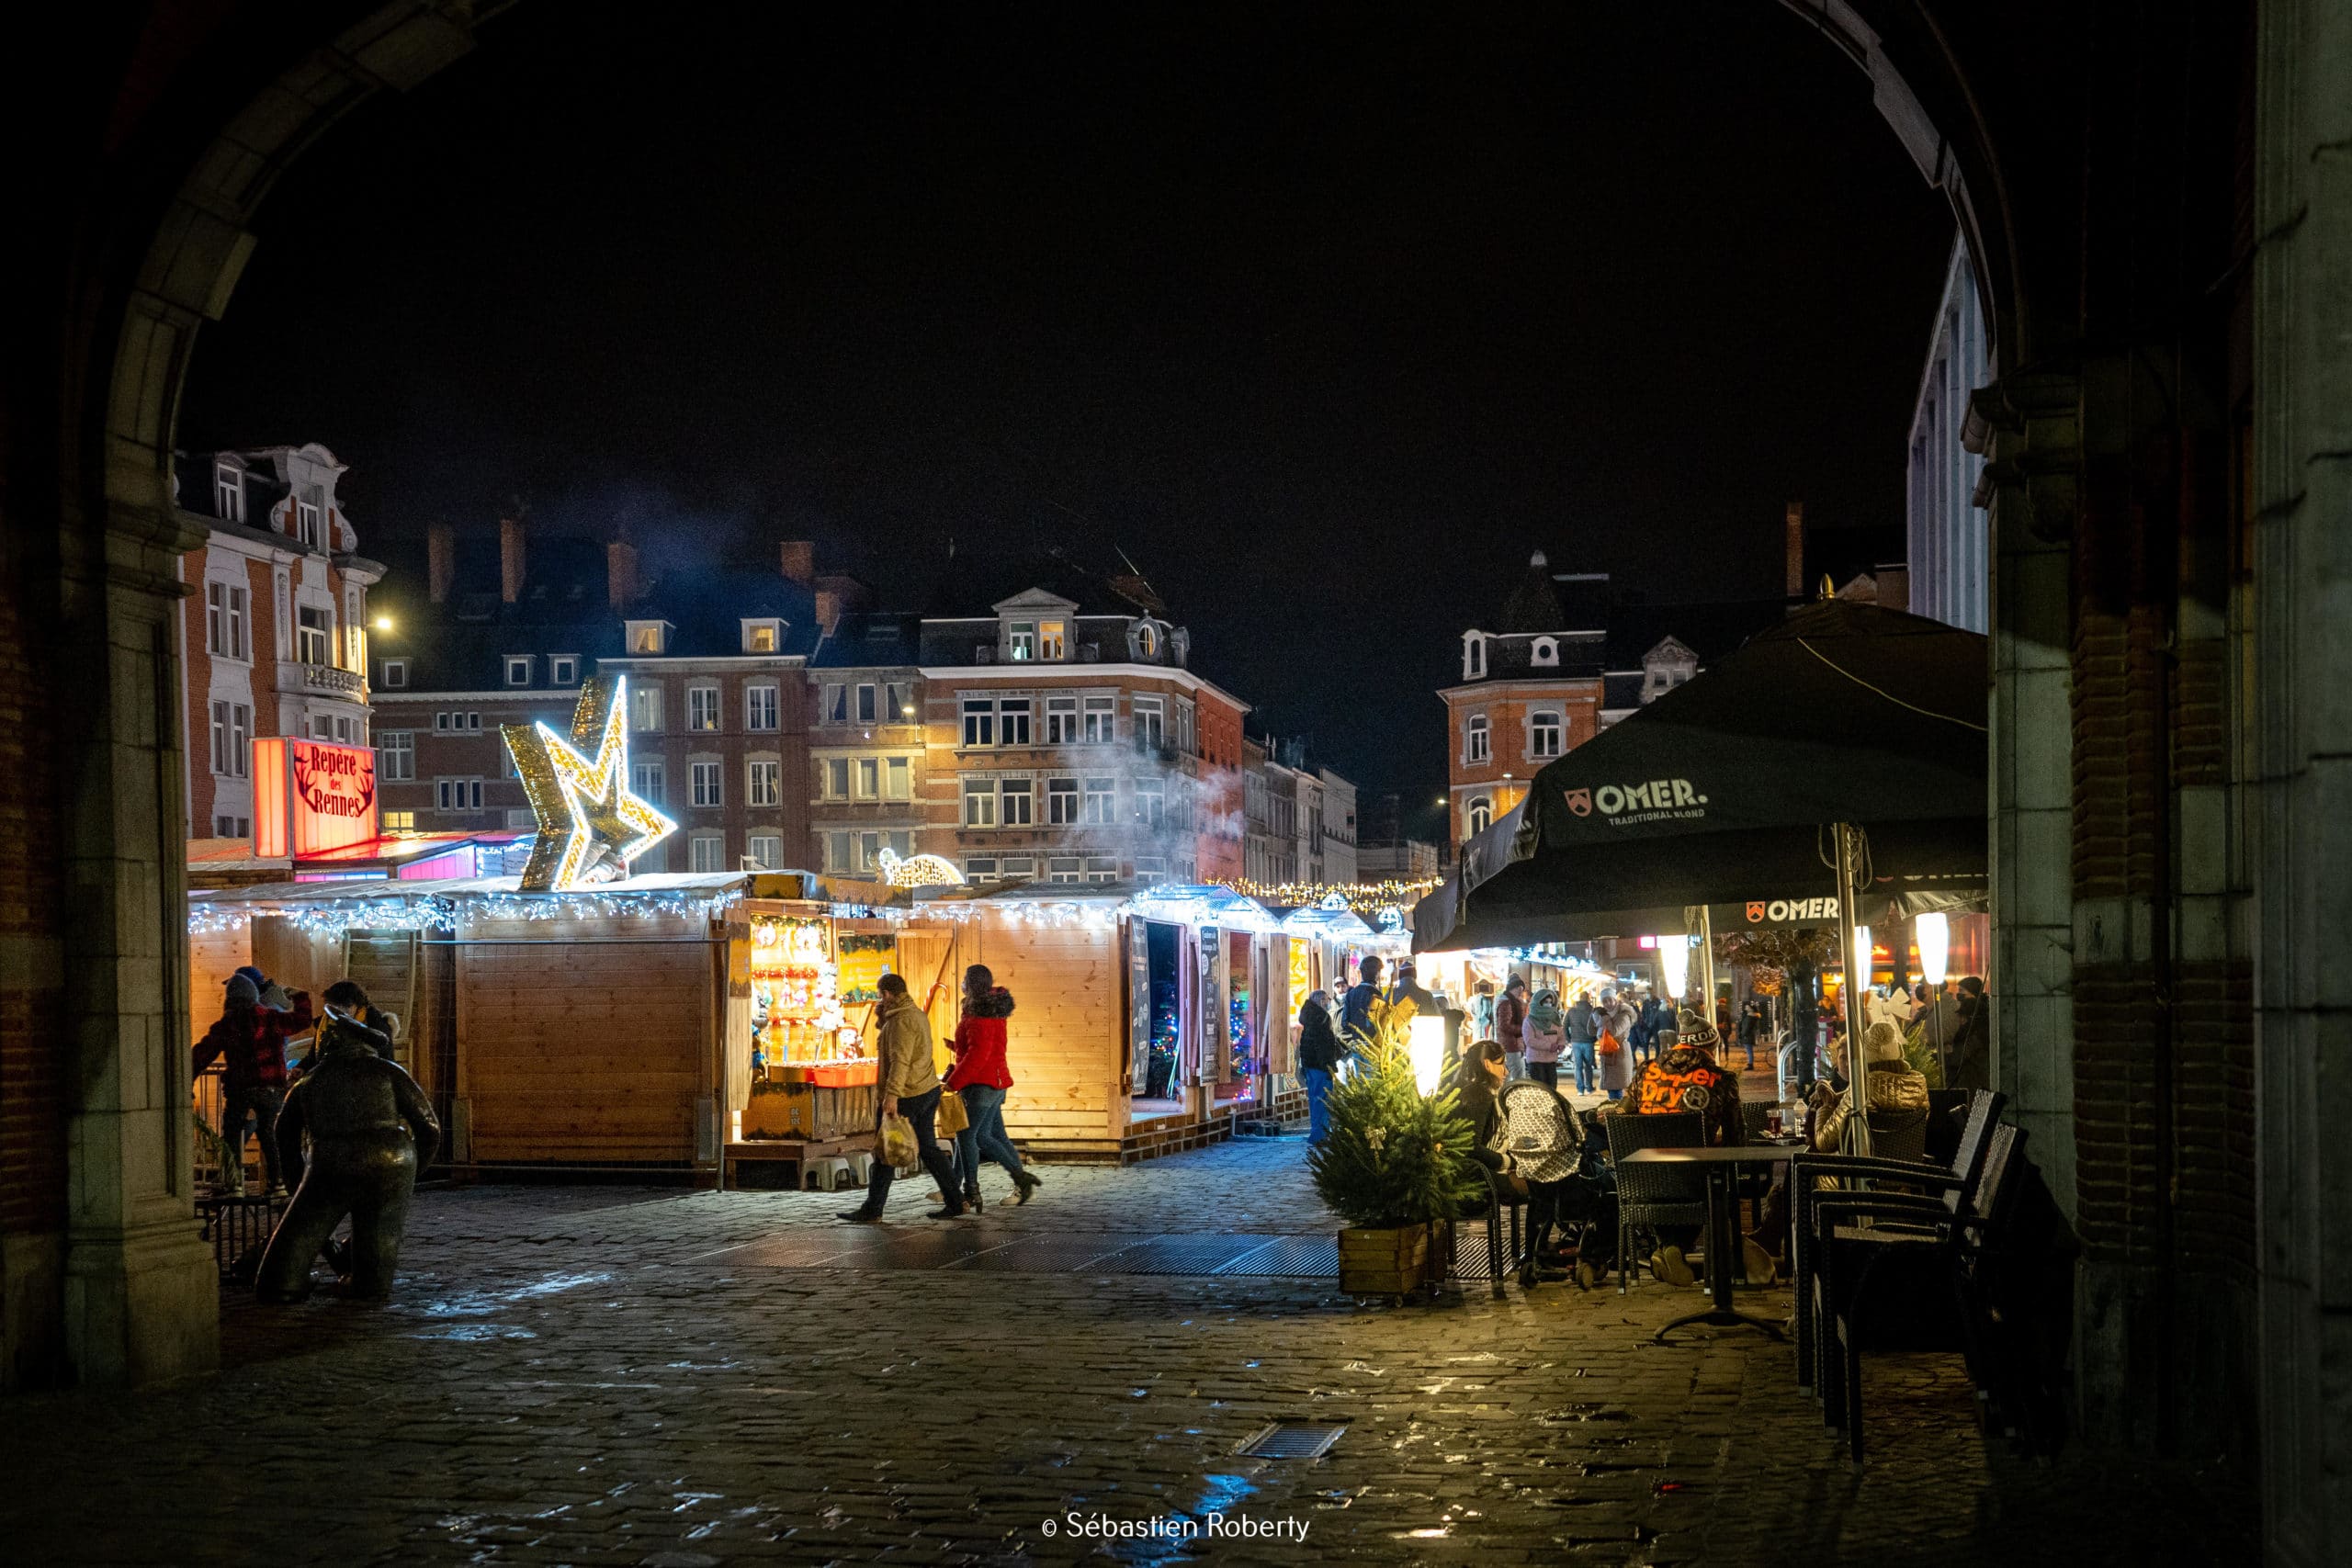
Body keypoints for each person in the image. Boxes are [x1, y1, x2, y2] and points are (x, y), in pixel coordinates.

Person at [254, 998, 439, 1302]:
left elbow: (284, 1134)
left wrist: (296, 1183)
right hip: (393, 1158)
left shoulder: (311, 1081)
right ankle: (370, 1284)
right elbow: (429, 1128)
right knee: (378, 1238)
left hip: (330, 1162)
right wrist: (410, 1172)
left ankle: (284, 1284)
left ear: (330, 1041)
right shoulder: (389, 1072)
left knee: (293, 1247)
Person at [1623, 1016, 1745, 1286]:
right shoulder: (1721, 1079)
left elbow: (1624, 1113)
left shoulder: (1646, 1071)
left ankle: (1667, 1247)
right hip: (1695, 1178)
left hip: (1646, 1177)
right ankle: (1675, 1248)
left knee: (1670, 1181)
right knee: (1712, 1184)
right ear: (1710, 1048)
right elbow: (1736, 1139)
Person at [841, 973, 967, 1222]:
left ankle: (873, 1209)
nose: (881, 1000)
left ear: (887, 994)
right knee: (928, 1149)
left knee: (886, 1149)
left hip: (908, 1095)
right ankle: (956, 1200)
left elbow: (900, 1061)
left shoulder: (901, 1021)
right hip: (926, 1089)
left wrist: (892, 1096)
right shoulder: (915, 1014)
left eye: (881, 995)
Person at [192, 968, 314, 1197]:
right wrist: (300, 997)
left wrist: (188, 1078)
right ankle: (278, 1183)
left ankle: (233, 1183)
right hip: (272, 1088)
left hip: (241, 1088)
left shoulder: (226, 1024)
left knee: (232, 1132)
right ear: (254, 996)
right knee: (270, 1133)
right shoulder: (271, 1018)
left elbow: (202, 1054)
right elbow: (302, 1020)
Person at [944, 964, 1038, 1211]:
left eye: (964, 978)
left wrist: (953, 1082)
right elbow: (986, 1048)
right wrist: (957, 1047)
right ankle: (1014, 1182)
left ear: (972, 983)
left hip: (982, 1085)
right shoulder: (988, 1009)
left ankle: (971, 1192)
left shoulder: (981, 1013)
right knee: (991, 1135)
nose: (961, 982)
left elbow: (979, 1056)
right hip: (992, 1081)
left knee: (970, 1136)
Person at [1808, 1018, 1931, 1155]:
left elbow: (1824, 1143)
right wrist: (1839, 1097)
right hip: (1909, 1171)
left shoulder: (1860, 1093)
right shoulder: (1918, 1086)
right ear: (1900, 1054)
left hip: (1864, 1171)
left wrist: (1826, 1107)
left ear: (1864, 1059)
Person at [1296, 988, 1343, 1146]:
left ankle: (1318, 1132)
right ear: (1320, 1000)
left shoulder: (1309, 1017)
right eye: (1325, 999)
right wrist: (1328, 1066)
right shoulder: (1320, 1018)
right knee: (1322, 1100)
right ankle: (1320, 1135)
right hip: (1320, 1066)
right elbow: (1323, 1046)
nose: (1328, 1002)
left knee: (1316, 1100)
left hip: (1310, 1064)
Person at [1521, 987, 1566, 1088]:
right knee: (1541, 1090)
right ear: (1539, 1002)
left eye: (1550, 1002)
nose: (1548, 1004)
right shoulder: (1529, 1020)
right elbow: (1529, 1040)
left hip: (1551, 1060)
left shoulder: (1555, 1019)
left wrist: (1561, 1044)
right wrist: (1549, 1045)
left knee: (1552, 1089)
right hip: (1536, 1061)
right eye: (1545, 1001)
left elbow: (1561, 1035)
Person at [1595, 987, 1634, 1101]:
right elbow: (1591, 1031)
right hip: (1608, 1054)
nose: (1608, 1003)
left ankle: (1618, 1115)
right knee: (1612, 1090)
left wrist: (1605, 1018)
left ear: (1615, 1000)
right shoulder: (1604, 1016)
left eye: (1610, 1000)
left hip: (1620, 1054)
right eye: (1604, 1001)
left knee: (1617, 1090)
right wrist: (1594, 1015)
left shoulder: (1623, 1015)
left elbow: (1614, 1032)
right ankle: (1615, 1113)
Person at [1340, 955, 1385, 1047]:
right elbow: (1381, 1023)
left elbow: (1344, 1022)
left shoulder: (1351, 993)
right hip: (1372, 1045)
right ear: (1376, 973)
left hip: (1356, 1044)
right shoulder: (1376, 994)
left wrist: (1355, 1034)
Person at [1493, 976, 1530, 1080]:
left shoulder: (1509, 1001)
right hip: (1511, 1045)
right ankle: (1514, 1095)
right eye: (1520, 989)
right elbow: (1504, 1025)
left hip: (1513, 1044)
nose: (1521, 992)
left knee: (1513, 1075)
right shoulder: (1507, 1003)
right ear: (1516, 988)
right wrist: (1523, 1029)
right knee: (1517, 1075)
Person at [1565, 988, 1600, 1095]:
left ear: (1579, 999)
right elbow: (1598, 1027)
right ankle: (1589, 1087)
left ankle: (1580, 1089)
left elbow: (1565, 1026)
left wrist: (1568, 1039)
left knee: (1578, 1066)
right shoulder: (1592, 1011)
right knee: (1588, 1066)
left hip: (1575, 1041)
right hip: (1588, 1041)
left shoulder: (1571, 1011)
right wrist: (1594, 1039)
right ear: (1588, 999)